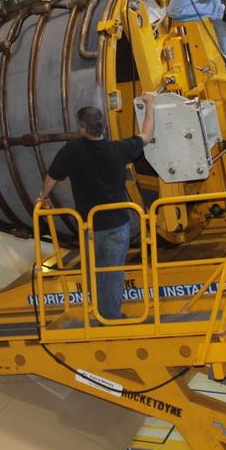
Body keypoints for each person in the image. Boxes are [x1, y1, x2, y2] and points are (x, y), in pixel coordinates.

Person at [37, 93, 156, 323]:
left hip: (90, 226)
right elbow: (147, 135)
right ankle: (110, 317)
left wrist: (43, 197)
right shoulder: (118, 150)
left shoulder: (72, 151)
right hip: (117, 225)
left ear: (83, 129)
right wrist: (150, 104)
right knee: (112, 272)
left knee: (94, 271)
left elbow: (52, 177)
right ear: (104, 127)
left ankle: (100, 314)